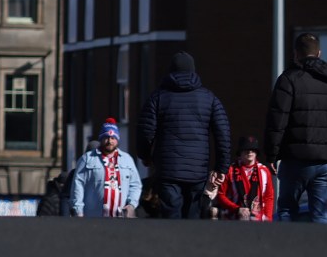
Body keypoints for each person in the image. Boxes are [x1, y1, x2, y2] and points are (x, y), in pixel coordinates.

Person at [262, 31, 327, 223]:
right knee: (321, 213)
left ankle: (287, 250)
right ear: (319, 53)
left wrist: (272, 154)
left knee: (287, 209)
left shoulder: (290, 79)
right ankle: (320, 251)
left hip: (296, 158)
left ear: (296, 54)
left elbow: (277, 119)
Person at [138, 50, 231, 219]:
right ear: (193, 71)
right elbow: (223, 133)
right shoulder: (209, 98)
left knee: (171, 213)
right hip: (197, 169)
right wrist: (221, 167)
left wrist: (145, 155)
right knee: (192, 215)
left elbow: (146, 130)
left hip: (168, 168)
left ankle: (173, 244)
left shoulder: (158, 97)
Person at [66, 120, 142, 217]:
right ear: (101, 139)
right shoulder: (87, 159)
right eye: (106, 137)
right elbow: (78, 185)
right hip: (93, 218)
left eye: (113, 138)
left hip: (121, 219)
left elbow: (135, 185)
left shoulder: (127, 160)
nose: (110, 141)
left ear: (117, 140)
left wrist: (131, 205)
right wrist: (78, 211)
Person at [216, 136, 276, 222]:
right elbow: (221, 195)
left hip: (259, 221)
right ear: (240, 152)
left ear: (256, 153)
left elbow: (269, 197)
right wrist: (237, 209)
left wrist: (268, 219)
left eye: (253, 149)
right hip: (234, 220)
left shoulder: (264, 171)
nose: (250, 152)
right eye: (246, 149)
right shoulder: (230, 170)